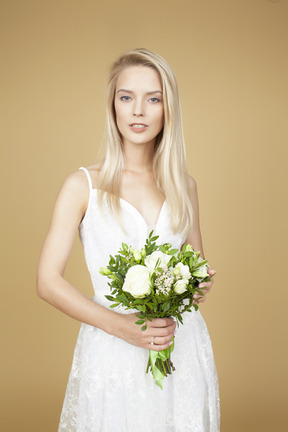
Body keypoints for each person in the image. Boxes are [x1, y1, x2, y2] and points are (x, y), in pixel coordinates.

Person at [36, 48, 220, 432]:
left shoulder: (185, 186)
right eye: (127, 97)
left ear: (168, 108)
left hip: (179, 345)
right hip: (112, 349)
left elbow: (197, 269)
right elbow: (47, 281)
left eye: (153, 99)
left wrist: (194, 284)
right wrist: (120, 326)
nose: (139, 110)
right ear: (113, 107)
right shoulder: (81, 185)